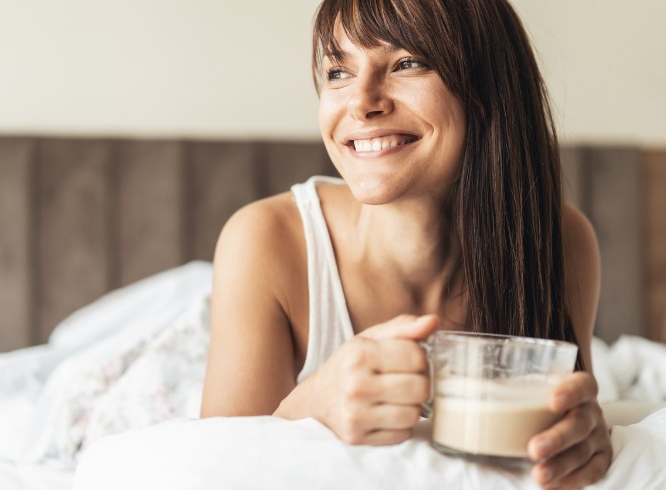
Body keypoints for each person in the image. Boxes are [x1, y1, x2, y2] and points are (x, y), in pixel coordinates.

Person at [200, 0, 612, 488]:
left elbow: (555, 438)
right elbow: (214, 465)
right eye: (338, 71)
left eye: (407, 63)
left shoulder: (560, 242)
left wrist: (583, 440)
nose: (361, 101)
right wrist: (307, 408)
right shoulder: (265, 241)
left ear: (488, 88)